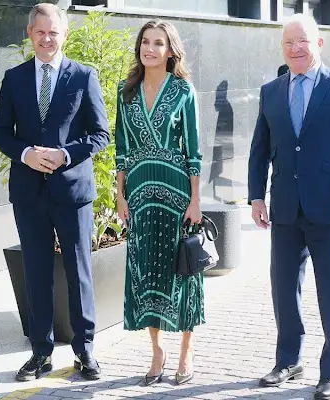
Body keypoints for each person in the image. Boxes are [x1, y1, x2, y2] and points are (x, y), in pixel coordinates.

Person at [247, 14, 330, 400]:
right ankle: (288, 360)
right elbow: (259, 151)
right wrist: (255, 196)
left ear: (319, 44)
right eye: (288, 43)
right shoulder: (271, 91)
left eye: (302, 41)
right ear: (281, 48)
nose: (295, 48)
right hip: (284, 207)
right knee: (284, 289)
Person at [0, 3, 109, 382]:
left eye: (53, 32)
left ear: (64, 35)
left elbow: (101, 134)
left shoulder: (84, 76)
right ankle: (39, 354)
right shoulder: (14, 78)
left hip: (72, 191)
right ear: (30, 34)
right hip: (29, 193)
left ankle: (85, 351)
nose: (46, 39)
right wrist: (26, 154)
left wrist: (64, 154)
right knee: (37, 273)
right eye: (40, 32)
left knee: (79, 272)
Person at [114, 19, 204, 387]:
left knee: (180, 272)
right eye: (145, 42)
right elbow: (121, 149)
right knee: (146, 270)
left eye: (158, 43)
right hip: (138, 195)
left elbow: (194, 152)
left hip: (176, 195)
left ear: (170, 50)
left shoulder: (183, 91)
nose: (150, 49)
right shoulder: (126, 91)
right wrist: (120, 195)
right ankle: (157, 350)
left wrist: (196, 200)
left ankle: (186, 350)